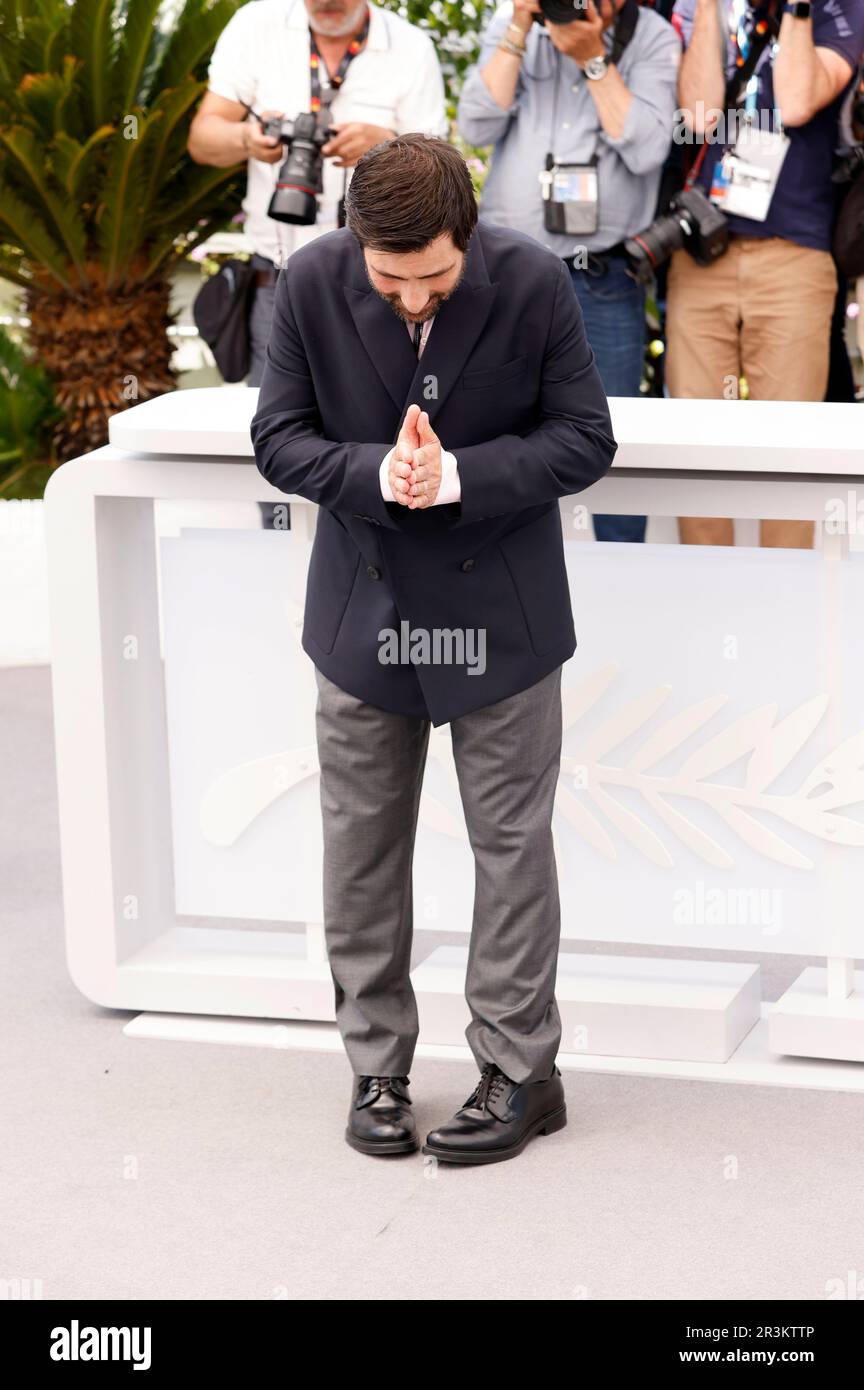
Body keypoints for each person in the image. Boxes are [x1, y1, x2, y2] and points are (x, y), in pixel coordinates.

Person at [250, 134, 617, 1165]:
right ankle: (377, 1069)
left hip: (503, 610)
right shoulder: (313, 279)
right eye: (392, 278)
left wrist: (460, 477)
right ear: (357, 242)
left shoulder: (536, 281)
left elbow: (585, 437)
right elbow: (278, 436)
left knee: (510, 848)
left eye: (436, 279)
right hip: (361, 614)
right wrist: (374, 473)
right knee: (361, 849)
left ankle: (519, 1072)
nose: (414, 300)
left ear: (470, 232)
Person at [188, 0, 447, 524]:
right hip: (278, 275)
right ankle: (283, 557)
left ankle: (385, 573)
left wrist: (391, 147)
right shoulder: (256, 26)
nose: (327, 4)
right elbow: (202, 138)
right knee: (281, 437)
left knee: (386, 433)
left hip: (382, 286)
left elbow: (443, 165)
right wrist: (247, 138)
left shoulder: (411, 46)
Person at [458, 0, 680, 544]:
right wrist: (517, 26)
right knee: (489, 432)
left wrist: (594, 59)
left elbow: (650, 148)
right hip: (504, 276)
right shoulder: (516, 25)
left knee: (614, 436)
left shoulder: (651, 36)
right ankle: (494, 568)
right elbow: (475, 123)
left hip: (600, 280)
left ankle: (622, 570)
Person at [667, 0, 864, 548]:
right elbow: (701, 115)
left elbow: (798, 101)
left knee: (790, 451)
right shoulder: (704, 9)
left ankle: (787, 614)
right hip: (703, 255)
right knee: (696, 452)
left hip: (794, 257)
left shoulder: (838, 7)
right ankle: (707, 610)